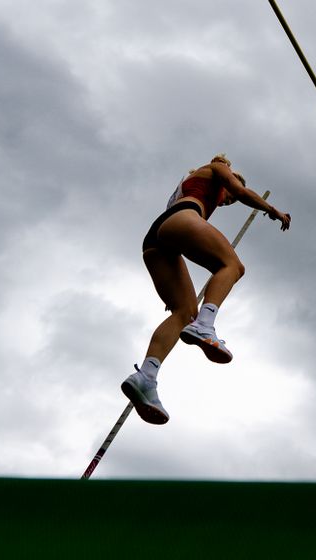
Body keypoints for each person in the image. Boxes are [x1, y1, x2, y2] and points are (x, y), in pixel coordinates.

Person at [121, 154, 290, 424]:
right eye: (227, 196)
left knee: (184, 311)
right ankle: (205, 325)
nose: (227, 200)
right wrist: (271, 210)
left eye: (230, 202)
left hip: (158, 239)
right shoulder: (217, 167)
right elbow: (241, 190)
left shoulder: (189, 186)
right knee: (233, 266)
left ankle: (146, 377)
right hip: (180, 219)